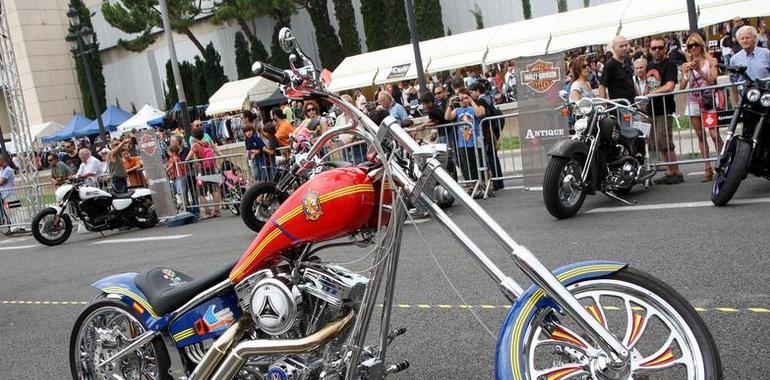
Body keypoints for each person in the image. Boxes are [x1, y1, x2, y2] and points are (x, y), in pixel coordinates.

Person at [681, 32, 724, 182]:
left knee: (713, 134)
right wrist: (686, 73)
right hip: (693, 101)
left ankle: (724, 162)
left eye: (695, 45)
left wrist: (699, 70)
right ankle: (707, 168)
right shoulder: (685, 64)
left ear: (701, 45)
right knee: (700, 136)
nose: (693, 48)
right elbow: (681, 87)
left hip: (708, 100)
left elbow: (712, 81)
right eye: (690, 46)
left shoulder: (711, 60)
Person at [647, 36, 684, 185]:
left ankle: (676, 172)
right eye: (654, 48)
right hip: (651, 109)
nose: (657, 50)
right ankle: (669, 172)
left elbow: (670, 86)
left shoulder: (669, 64)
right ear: (650, 50)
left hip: (664, 108)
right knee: (657, 142)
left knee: (665, 141)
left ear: (665, 49)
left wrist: (651, 94)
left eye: (660, 48)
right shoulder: (649, 66)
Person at [444, 88, 485, 182]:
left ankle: (480, 183)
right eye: (460, 98)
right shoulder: (457, 110)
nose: (462, 100)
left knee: (478, 164)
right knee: (466, 166)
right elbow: (447, 117)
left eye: (464, 98)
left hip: (475, 142)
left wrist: (470, 100)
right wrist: (451, 103)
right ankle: (471, 185)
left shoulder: (472, 108)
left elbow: (479, 114)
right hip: (462, 143)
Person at [469, 81, 504, 190]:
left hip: (488, 132)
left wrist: (471, 101)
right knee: (493, 157)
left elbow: (481, 113)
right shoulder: (488, 97)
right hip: (491, 130)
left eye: (471, 92)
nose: (470, 95)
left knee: (490, 157)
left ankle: (497, 183)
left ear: (478, 91)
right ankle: (498, 182)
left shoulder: (481, 100)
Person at [186, 127, 222, 218]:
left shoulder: (195, 145)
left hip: (203, 170)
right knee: (214, 189)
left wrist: (186, 162)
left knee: (201, 193)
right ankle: (216, 211)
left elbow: (188, 158)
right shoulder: (206, 143)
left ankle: (207, 212)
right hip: (212, 168)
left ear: (194, 136)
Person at [599, 35, 636, 104]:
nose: (624, 48)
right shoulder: (609, 65)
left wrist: (639, 97)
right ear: (613, 48)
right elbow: (602, 86)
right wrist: (603, 106)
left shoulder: (628, 59)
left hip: (632, 104)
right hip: (619, 107)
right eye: (621, 46)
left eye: (626, 45)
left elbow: (632, 81)